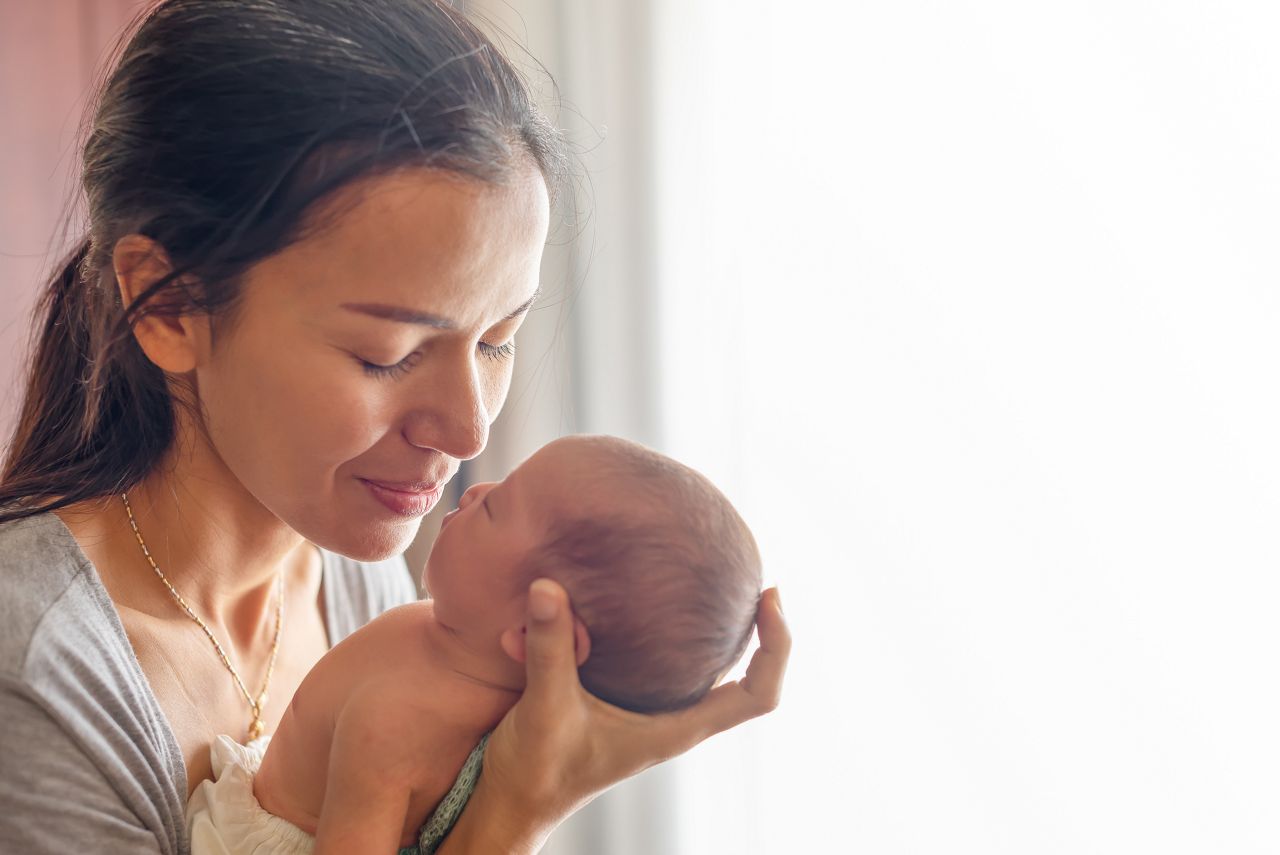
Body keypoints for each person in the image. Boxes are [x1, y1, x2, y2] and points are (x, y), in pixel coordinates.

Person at [0, 1, 789, 853]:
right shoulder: (38, 676)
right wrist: (517, 809)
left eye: (498, 340)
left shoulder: (355, 576)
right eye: (387, 354)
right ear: (172, 304)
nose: (467, 432)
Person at [186, 434, 763, 854]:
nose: (475, 488)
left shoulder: (396, 721)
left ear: (538, 630)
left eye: (495, 505)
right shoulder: (468, 656)